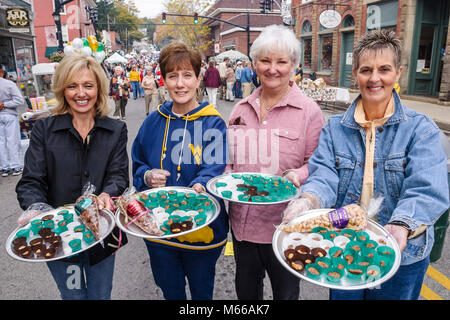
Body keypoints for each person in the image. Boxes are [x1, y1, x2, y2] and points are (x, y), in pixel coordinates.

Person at [282, 29, 449, 300]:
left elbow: (427, 187)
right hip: (343, 245)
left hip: (402, 254)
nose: (374, 78)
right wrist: (309, 200)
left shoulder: (421, 129)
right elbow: (324, 175)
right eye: (366, 70)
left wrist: (401, 225)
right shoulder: (335, 128)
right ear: (355, 74)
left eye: (384, 69)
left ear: (398, 73)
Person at [16, 54, 129, 300]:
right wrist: (37, 207)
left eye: (88, 85)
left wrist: (107, 194)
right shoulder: (44, 130)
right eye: (72, 85)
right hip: (59, 239)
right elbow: (31, 180)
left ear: (98, 88)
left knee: (100, 295)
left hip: (102, 235)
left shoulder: (115, 130)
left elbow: (119, 175)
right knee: (74, 294)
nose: (81, 93)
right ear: (62, 89)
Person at [227, 24, 325, 300]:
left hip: (286, 226)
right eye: (266, 61)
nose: (273, 69)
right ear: (255, 63)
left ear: (293, 65)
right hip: (243, 226)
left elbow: (318, 164)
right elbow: (228, 164)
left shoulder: (309, 112)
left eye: (281, 62)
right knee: (246, 293)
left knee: (286, 294)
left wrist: (299, 174)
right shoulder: (239, 109)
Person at [131, 42, 229, 300]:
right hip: (159, 231)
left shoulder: (212, 122)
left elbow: (215, 167)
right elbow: (137, 163)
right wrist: (146, 175)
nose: (180, 84)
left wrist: (202, 185)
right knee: (170, 290)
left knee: (201, 291)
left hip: (201, 229)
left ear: (199, 79)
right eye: (172, 76)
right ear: (163, 80)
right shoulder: (153, 121)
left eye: (187, 75)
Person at [0, 64, 25, 177]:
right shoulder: (9, 84)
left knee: (1, 142)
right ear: (2, 71)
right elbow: (19, 101)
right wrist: (5, 104)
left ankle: (4, 168)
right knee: (12, 141)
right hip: (9, 114)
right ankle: (15, 166)